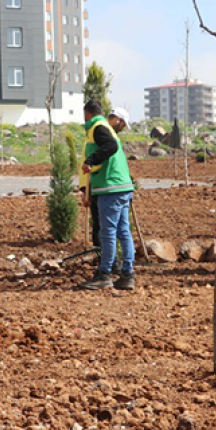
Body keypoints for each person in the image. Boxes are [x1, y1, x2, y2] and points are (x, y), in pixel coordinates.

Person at [79, 99, 136, 290]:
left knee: (108, 233)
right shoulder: (107, 128)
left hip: (110, 187)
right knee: (123, 231)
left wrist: (90, 160)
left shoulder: (97, 127)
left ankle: (104, 274)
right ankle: (127, 275)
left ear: (87, 114)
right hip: (123, 187)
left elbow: (109, 146)